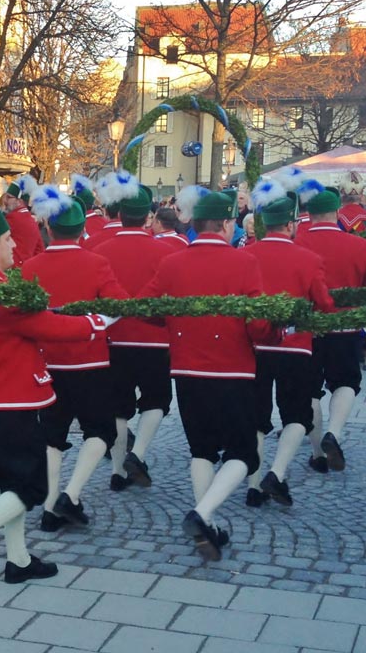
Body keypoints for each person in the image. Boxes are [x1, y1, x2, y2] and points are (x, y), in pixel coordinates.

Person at [0, 191, 112, 593]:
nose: (16, 244)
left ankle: (18, 560)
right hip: (9, 400)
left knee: (12, 482)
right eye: (8, 240)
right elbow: (46, 326)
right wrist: (94, 323)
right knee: (31, 487)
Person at [141, 187, 276, 561]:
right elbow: (257, 324)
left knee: (201, 448)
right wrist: (277, 327)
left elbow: (147, 309)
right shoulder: (243, 262)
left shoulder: (172, 263)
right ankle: (201, 514)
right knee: (244, 452)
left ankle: (210, 526)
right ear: (228, 223)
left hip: (185, 367)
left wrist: (174, 322)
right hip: (231, 368)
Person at [19, 189, 127, 532]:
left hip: (46, 365)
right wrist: (95, 324)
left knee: (52, 436)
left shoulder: (31, 267)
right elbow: (118, 306)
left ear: (48, 228)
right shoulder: (96, 263)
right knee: (100, 431)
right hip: (89, 361)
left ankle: (51, 508)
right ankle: (71, 493)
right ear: (83, 230)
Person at [242, 182, 335, 509]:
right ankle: (277, 473)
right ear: (292, 224)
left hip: (254, 347)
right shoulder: (309, 258)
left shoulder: (246, 253)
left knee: (256, 417)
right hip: (296, 347)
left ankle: (253, 485)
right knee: (296, 415)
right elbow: (324, 305)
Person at [296, 182, 366, 473]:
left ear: (309, 213)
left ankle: (317, 452)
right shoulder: (359, 244)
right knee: (346, 382)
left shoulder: (298, 241)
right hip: (346, 326)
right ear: (336, 211)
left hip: (307, 327)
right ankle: (334, 432)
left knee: (309, 390)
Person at [92, 181, 175, 490]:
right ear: (148, 218)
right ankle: (137, 454)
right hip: (154, 339)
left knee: (118, 406)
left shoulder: (99, 250)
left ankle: (117, 471)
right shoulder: (165, 251)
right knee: (157, 400)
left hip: (112, 339)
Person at [2, 175, 44, 267]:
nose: (5, 200)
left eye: (9, 197)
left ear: (19, 201)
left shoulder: (13, 218)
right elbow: (40, 249)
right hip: (27, 270)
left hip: (12, 270)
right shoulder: (31, 219)